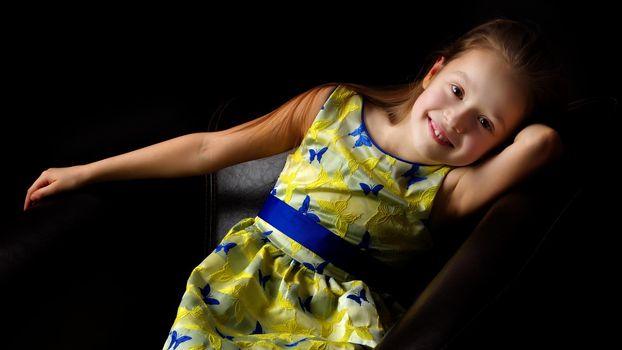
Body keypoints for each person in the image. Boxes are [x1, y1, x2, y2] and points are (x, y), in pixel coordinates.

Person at [24, 18, 565, 349]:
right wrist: (87, 171)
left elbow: (543, 143)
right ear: (433, 71)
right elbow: (210, 148)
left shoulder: (448, 190)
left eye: (487, 123)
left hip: (338, 324)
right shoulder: (333, 106)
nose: (458, 120)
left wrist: (521, 124)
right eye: (456, 90)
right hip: (241, 284)